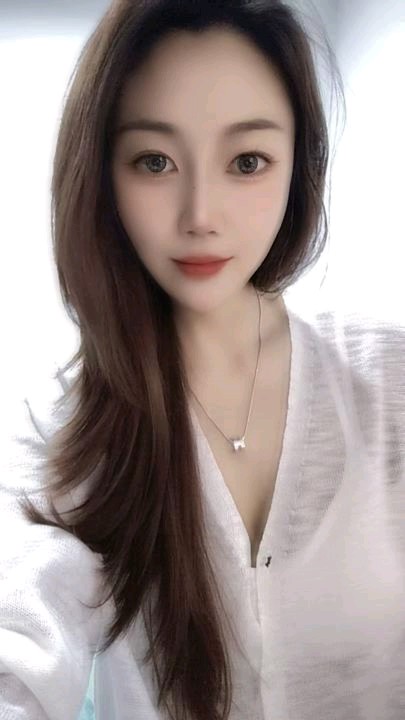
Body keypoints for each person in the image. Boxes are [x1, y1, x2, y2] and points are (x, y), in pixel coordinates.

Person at [0, 1, 404, 719]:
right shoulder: (61, 430)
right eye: (154, 161)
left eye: (247, 162)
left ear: (299, 166)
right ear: (102, 174)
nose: (200, 215)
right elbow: (19, 653)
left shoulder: (386, 380)